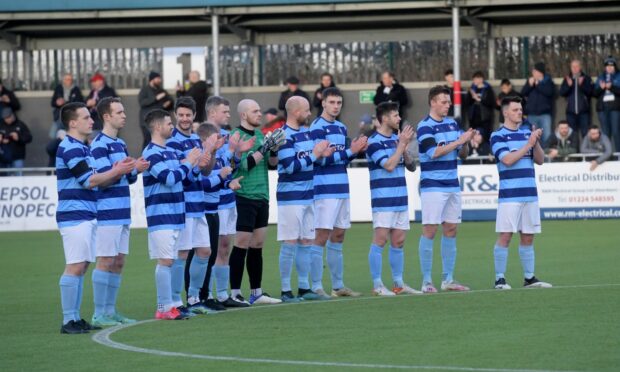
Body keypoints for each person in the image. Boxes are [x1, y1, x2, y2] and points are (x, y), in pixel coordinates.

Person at [55, 102, 134, 334]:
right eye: (86, 117)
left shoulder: (82, 147)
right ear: (72, 123)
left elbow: (95, 178)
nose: (92, 121)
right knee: (75, 265)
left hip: (87, 213)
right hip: (74, 214)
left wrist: (117, 170)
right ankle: (68, 320)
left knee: (82, 266)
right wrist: (117, 171)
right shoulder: (69, 147)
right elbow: (88, 180)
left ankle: (75, 318)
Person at [89, 97, 150, 327]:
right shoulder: (99, 145)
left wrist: (137, 169)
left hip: (123, 211)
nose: (124, 115)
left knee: (119, 261)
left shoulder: (120, 144)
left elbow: (126, 178)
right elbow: (102, 180)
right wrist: (127, 169)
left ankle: (110, 311)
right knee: (105, 260)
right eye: (119, 112)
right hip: (107, 211)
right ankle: (98, 313)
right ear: (107, 116)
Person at [142, 109, 204, 320]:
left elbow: (184, 179)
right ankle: (163, 307)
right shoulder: (151, 152)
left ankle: (171, 305)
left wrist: (194, 164)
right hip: (161, 215)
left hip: (176, 214)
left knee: (172, 260)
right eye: (169, 123)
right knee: (165, 261)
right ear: (158, 127)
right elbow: (169, 178)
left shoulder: (168, 151)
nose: (172, 126)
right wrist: (188, 162)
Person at [307, 88, 367, 298]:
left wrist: (355, 150)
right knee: (321, 236)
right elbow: (319, 159)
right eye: (332, 102)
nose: (335, 106)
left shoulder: (341, 128)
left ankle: (338, 286)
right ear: (323, 103)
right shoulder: (317, 128)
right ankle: (315, 286)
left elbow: (341, 159)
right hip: (324, 190)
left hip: (341, 187)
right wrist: (350, 151)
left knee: (339, 234)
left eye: (339, 103)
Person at [417, 85, 474, 293]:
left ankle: (448, 279)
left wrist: (465, 143)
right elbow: (434, 152)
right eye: (444, 102)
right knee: (430, 230)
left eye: (448, 102)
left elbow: (463, 154)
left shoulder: (452, 124)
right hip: (432, 185)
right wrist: (459, 140)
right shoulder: (424, 126)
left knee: (451, 229)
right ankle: (426, 281)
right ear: (432, 102)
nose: (448, 105)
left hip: (452, 184)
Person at [277, 96, 335, 302]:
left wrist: (322, 155)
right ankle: (285, 290)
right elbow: (291, 167)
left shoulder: (306, 134)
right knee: (290, 241)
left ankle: (303, 287)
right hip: (290, 197)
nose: (310, 114)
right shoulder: (283, 135)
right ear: (295, 112)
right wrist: (314, 154)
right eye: (307, 110)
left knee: (306, 241)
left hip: (308, 195)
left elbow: (310, 161)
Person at [490, 96, 552, 290]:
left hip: (530, 194)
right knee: (506, 236)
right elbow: (507, 160)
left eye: (520, 109)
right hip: (510, 195)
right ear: (505, 112)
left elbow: (540, 160)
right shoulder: (497, 135)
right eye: (515, 109)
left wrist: (535, 142)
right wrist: (528, 144)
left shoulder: (527, 133)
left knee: (528, 236)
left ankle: (529, 277)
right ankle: (499, 278)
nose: (520, 112)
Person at [166, 97, 218, 317]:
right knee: (182, 253)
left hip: (199, 205)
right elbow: (181, 177)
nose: (185, 119)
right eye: (181, 115)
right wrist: (193, 164)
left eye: (189, 115)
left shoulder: (197, 140)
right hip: (184, 206)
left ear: (194, 116)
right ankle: (176, 301)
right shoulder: (171, 142)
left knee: (205, 251)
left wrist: (211, 153)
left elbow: (205, 172)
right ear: (176, 116)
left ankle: (194, 297)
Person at [228, 99, 283, 305]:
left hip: (262, 195)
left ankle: (256, 292)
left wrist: (274, 148)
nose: (259, 114)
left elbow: (272, 164)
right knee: (241, 243)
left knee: (257, 244)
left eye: (260, 110)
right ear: (243, 115)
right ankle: (234, 292)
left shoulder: (260, 135)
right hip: (244, 196)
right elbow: (243, 166)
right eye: (255, 111)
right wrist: (264, 148)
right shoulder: (235, 136)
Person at [365, 102, 418, 296]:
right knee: (380, 240)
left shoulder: (397, 140)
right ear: (384, 118)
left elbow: (411, 167)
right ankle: (378, 285)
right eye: (395, 116)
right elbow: (388, 165)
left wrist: (403, 147)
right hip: (383, 199)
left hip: (400, 199)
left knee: (399, 241)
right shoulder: (373, 142)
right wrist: (401, 144)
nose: (399, 119)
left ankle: (398, 283)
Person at [521, 62, 555, 144]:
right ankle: (536, 156)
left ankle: (546, 156)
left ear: (540, 72)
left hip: (545, 115)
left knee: (546, 136)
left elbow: (549, 92)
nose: (533, 73)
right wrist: (529, 85)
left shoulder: (548, 81)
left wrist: (538, 84)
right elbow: (523, 93)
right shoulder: (530, 81)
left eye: (535, 71)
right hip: (532, 114)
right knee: (533, 137)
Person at [139, 71, 174, 150]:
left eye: (159, 78)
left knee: (159, 141)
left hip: (159, 121)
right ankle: (145, 159)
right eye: (157, 78)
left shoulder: (160, 90)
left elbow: (170, 99)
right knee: (148, 141)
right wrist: (155, 98)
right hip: (146, 121)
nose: (159, 80)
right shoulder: (145, 90)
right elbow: (142, 102)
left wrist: (169, 103)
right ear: (152, 79)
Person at [592, 56, 620, 152]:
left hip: (615, 108)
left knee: (616, 132)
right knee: (605, 133)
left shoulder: (619, 76)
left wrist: (611, 87)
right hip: (603, 108)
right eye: (607, 66)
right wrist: (601, 88)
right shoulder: (601, 77)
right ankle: (607, 153)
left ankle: (618, 154)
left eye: (611, 66)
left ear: (615, 66)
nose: (609, 67)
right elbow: (594, 93)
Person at [559, 60, 593, 137]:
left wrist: (582, 85)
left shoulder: (586, 78)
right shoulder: (567, 79)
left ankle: (585, 149)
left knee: (585, 134)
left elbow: (590, 92)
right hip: (570, 112)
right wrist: (569, 86)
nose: (574, 68)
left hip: (584, 112)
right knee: (572, 135)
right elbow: (561, 93)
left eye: (576, 66)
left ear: (580, 67)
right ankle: (574, 149)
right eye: (573, 67)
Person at [51, 73, 84, 139]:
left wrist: (65, 102)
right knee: (53, 135)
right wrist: (57, 102)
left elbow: (80, 102)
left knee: (61, 134)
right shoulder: (58, 88)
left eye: (70, 79)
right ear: (63, 80)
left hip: (72, 115)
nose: (68, 81)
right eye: (66, 79)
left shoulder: (76, 89)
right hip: (59, 114)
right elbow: (52, 102)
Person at [0, 107, 32, 174]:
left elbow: (29, 138)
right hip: (4, 157)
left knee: (19, 177)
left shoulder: (20, 124)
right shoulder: (1, 125)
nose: (7, 120)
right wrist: (2, 140)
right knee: (6, 179)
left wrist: (18, 138)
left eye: (8, 117)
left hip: (18, 156)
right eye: (5, 118)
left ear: (12, 115)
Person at [467, 71, 495, 141]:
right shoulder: (472, 89)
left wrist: (479, 99)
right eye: (473, 79)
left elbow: (491, 103)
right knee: (473, 134)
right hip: (473, 116)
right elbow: (468, 102)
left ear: (481, 79)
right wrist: (472, 97)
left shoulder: (488, 89)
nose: (474, 81)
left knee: (485, 135)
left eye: (476, 79)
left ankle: (485, 150)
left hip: (484, 117)